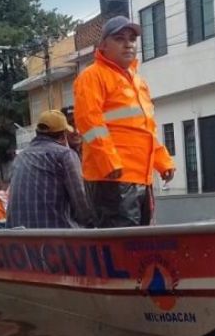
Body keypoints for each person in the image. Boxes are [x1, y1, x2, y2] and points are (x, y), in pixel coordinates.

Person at [73, 15, 176, 227]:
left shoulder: (138, 82)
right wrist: (108, 161)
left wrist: (163, 162)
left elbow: (146, 129)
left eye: (132, 38)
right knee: (122, 247)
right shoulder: (92, 76)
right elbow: (89, 123)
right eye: (120, 38)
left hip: (140, 178)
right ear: (103, 45)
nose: (128, 43)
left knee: (140, 247)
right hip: (112, 180)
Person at [6, 109, 94, 229]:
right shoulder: (65, 155)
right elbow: (82, 206)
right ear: (63, 135)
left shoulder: (20, 157)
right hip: (54, 237)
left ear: (37, 132)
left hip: (18, 237)